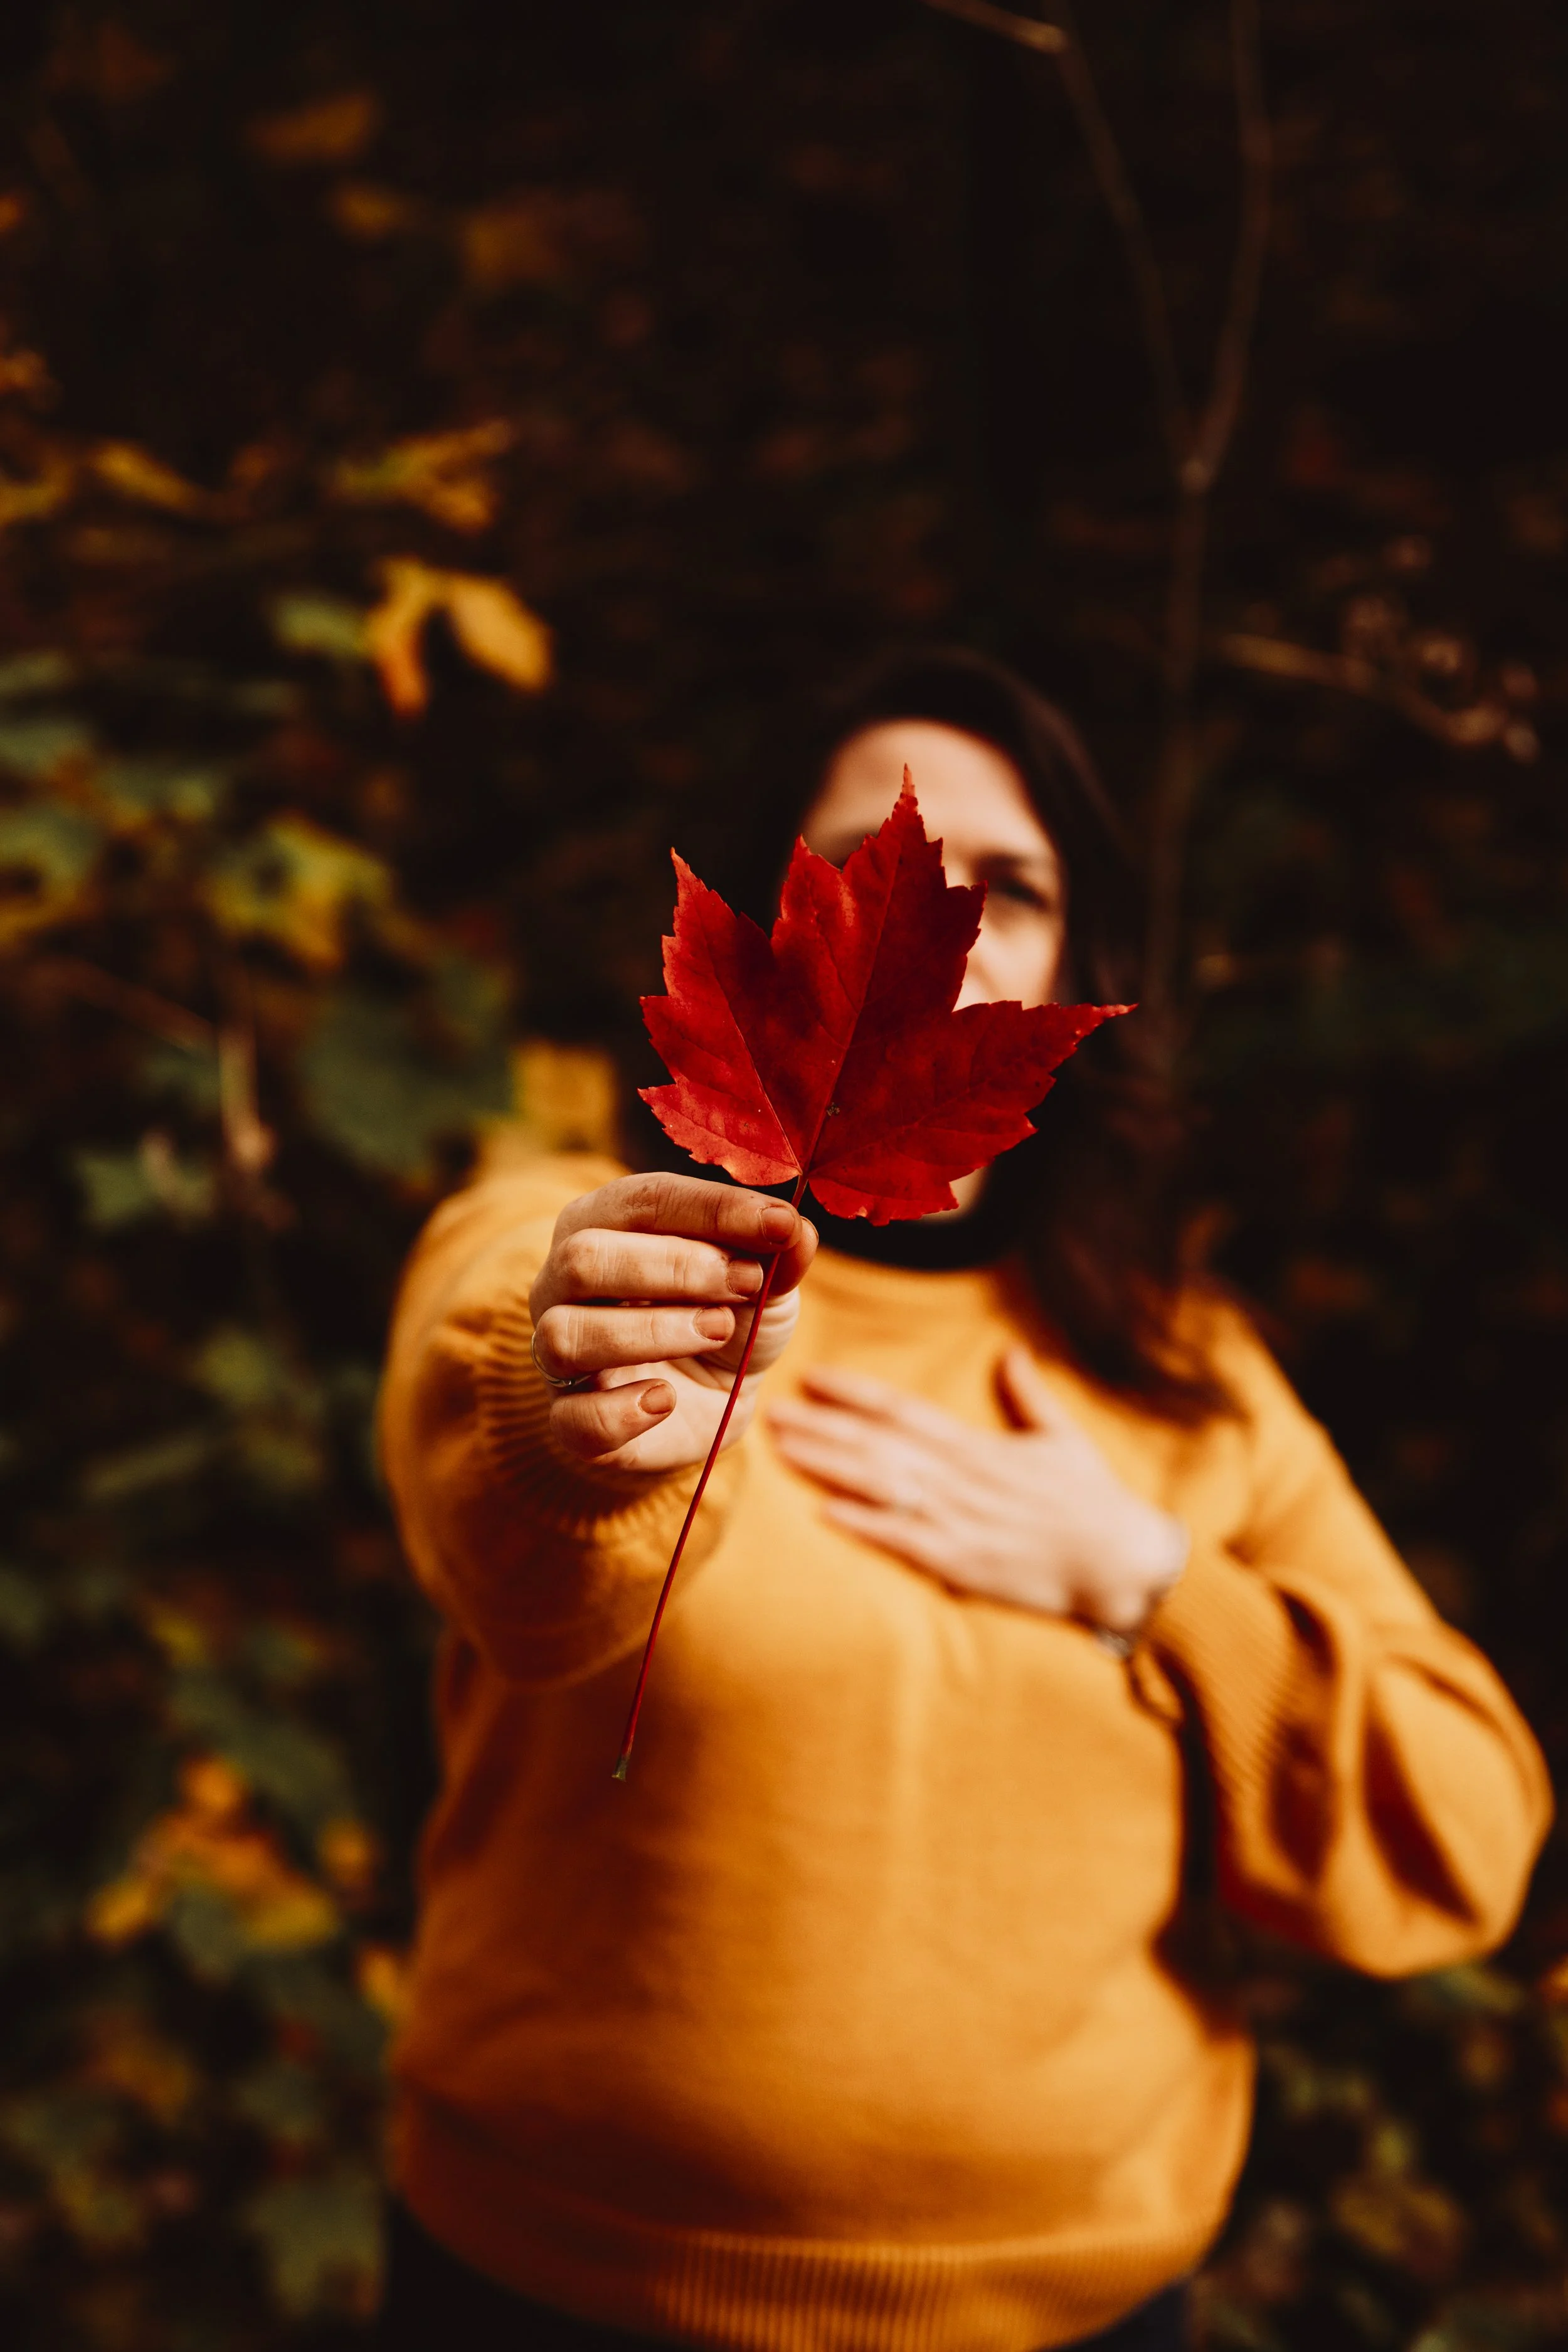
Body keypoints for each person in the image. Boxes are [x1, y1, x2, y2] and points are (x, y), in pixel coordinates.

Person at [376, 649, 1550, 2352]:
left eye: (1009, 885)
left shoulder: (1182, 1374)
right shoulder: (591, 1244)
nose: (938, 918)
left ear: (1081, 966)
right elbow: (508, 1497)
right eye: (866, 868)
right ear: (761, 939)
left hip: (1076, 2309)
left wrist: (1152, 1581)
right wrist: (584, 1409)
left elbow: (1461, 1840)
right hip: (551, 2289)